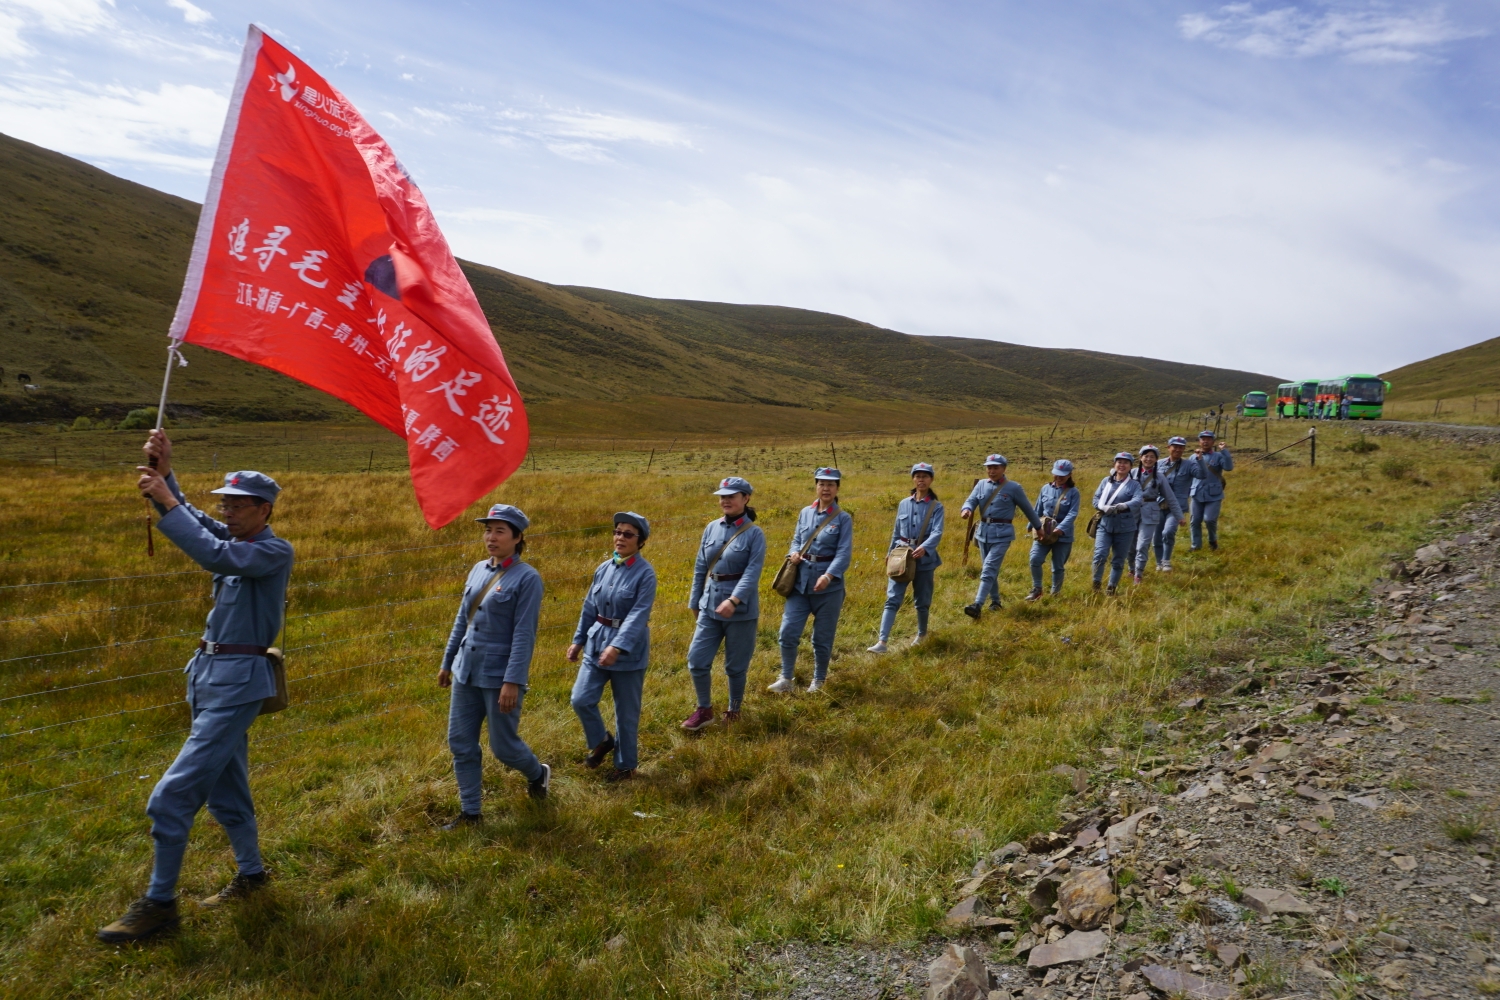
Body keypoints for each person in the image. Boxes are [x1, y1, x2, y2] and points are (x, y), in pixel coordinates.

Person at [98, 431, 293, 943]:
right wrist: (165, 474)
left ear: (263, 509)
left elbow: (213, 553)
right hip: (207, 679)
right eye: (223, 503)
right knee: (228, 788)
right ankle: (252, 876)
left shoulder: (271, 551)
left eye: (235, 504)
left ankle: (160, 905)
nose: (225, 511)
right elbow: (198, 523)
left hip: (237, 687)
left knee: (172, 795)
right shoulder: (236, 537)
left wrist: (164, 500)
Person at [436, 503, 549, 830]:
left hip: (499, 677)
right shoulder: (477, 570)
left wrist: (512, 681)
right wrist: (448, 662)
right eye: (488, 530)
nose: (491, 537)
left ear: (517, 537)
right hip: (466, 670)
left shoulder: (527, 578)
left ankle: (537, 773)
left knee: (504, 748)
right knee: (460, 741)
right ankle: (471, 813)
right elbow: (462, 621)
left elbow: (524, 634)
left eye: (500, 531)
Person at [568, 512, 656, 780]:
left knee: (626, 713)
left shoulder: (645, 574)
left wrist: (617, 647)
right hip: (596, 645)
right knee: (580, 699)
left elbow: (638, 615)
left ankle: (625, 767)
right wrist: (578, 639)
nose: (620, 538)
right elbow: (589, 607)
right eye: (617, 532)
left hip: (628, 653)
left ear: (640, 541)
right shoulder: (603, 568)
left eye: (628, 534)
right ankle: (602, 740)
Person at [681, 477, 767, 730]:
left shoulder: (754, 534)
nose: (726, 500)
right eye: (723, 496)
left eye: (732, 495)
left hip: (740, 610)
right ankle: (704, 710)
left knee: (735, 666)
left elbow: (752, 573)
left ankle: (734, 710)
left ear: (746, 498)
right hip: (709, 606)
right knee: (696, 660)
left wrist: (734, 599)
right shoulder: (711, 528)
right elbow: (700, 567)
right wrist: (694, 600)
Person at [771, 468, 853, 694]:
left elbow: (844, 553)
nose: (825, 488)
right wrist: (793, 553)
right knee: (788, 632)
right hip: (800, 584)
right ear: (816, 486)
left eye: (830, 484)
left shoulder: (843, 518)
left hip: (829, 589)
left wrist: (828, 576)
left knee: (822, 638)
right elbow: (796, 540)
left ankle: (818, 680)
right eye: (821, 484)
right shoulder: (805, 513)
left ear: (837, 489)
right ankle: (786, 678)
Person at [869, 462, 945, 652]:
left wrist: (925, 548)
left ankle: (921, 634)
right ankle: (882, 642)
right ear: (913, 478)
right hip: (901, 557)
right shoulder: (903, 504)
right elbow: (896, 532)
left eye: (925, 476)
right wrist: (889, 553)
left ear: (931, 480)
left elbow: (937, 532)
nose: (921, 479)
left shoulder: (937, 506)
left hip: (924, 560)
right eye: (918, 476)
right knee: (892, 598)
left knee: (922, 600)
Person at [958, 454, 1043, 619]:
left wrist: (1038, 527)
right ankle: (996, 602)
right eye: (989, 467)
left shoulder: (1014, 488)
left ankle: (977, 605)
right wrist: (966, 509)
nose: (991, 471)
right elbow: (971, 500)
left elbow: (1028, 509)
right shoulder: (981, 485)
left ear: (1004, 468)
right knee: (991, 570)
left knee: (988, 568)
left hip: (1002, 535)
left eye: (996, 467)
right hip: (982, 533)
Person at [1025, 459, 1081, 600]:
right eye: (1057, 474)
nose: (1059, 477)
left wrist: (1060, 529)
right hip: (1043, 531)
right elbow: (1037, 508)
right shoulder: (1045, 488)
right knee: (1035, 559)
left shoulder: (1074, 492)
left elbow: (1073, 513)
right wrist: (1031, 525)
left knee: (1057, 566)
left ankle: (1055, 594)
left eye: (1063, 474)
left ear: (1069, 475)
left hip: (1063, 534)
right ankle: (1037, 589)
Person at [1091, 452, 1143, 595]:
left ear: (1130, 467)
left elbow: (1138, 500)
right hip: (1105, 524)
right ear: (1114, 464)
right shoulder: (1105, 481)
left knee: (1119, 560)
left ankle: (1111, 588)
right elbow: (1096, 498)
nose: (1122, 465)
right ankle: (1096, 584)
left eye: (1126, 462)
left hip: (1125, 527)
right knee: (1100, 555)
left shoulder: (1134, 484)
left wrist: (1123, 506)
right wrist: (1102, 507)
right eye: (1119, 462)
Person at [1129, 445, 1183, 583]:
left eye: (1152, 456)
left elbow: (1170, 497)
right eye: (1146, 456)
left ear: (1156, 459)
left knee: (1143, 544)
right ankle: (1131, 568)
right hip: (1131, 512)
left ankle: (1139, 574)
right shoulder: (1131, 473)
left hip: (1150, 512)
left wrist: (1179, 516)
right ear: (1140, 457)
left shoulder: (1159, 477)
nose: (1148, 459)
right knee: (1130, 544)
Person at [1154, 436, 1198, 572]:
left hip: (1176, 506)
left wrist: (1200, 461)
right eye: (1175, 446)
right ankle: (1159, 562)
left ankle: (1166, 561)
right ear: (1168, 448)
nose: (1178, 449)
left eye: (1181, 447)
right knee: (1156, 536)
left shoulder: (1189, 464)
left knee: (1168, 532)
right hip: (1158, 505)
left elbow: (1202, 475)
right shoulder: (1159, 464)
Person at [1187, 429, 1234, 551]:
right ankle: (1195, 545)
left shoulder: (1218, 456)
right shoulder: (1193, 457)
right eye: (1203, 439)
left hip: (1213, 494)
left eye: (1208, 439)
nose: (1205, 441)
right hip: (1197, 493)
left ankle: (1213, 540)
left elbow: (1228, 467)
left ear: (1213, 442)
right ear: (1199, 441)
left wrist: (1224, 451)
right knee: (1194, 521)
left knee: (1209, 520)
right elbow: (1189, 474)